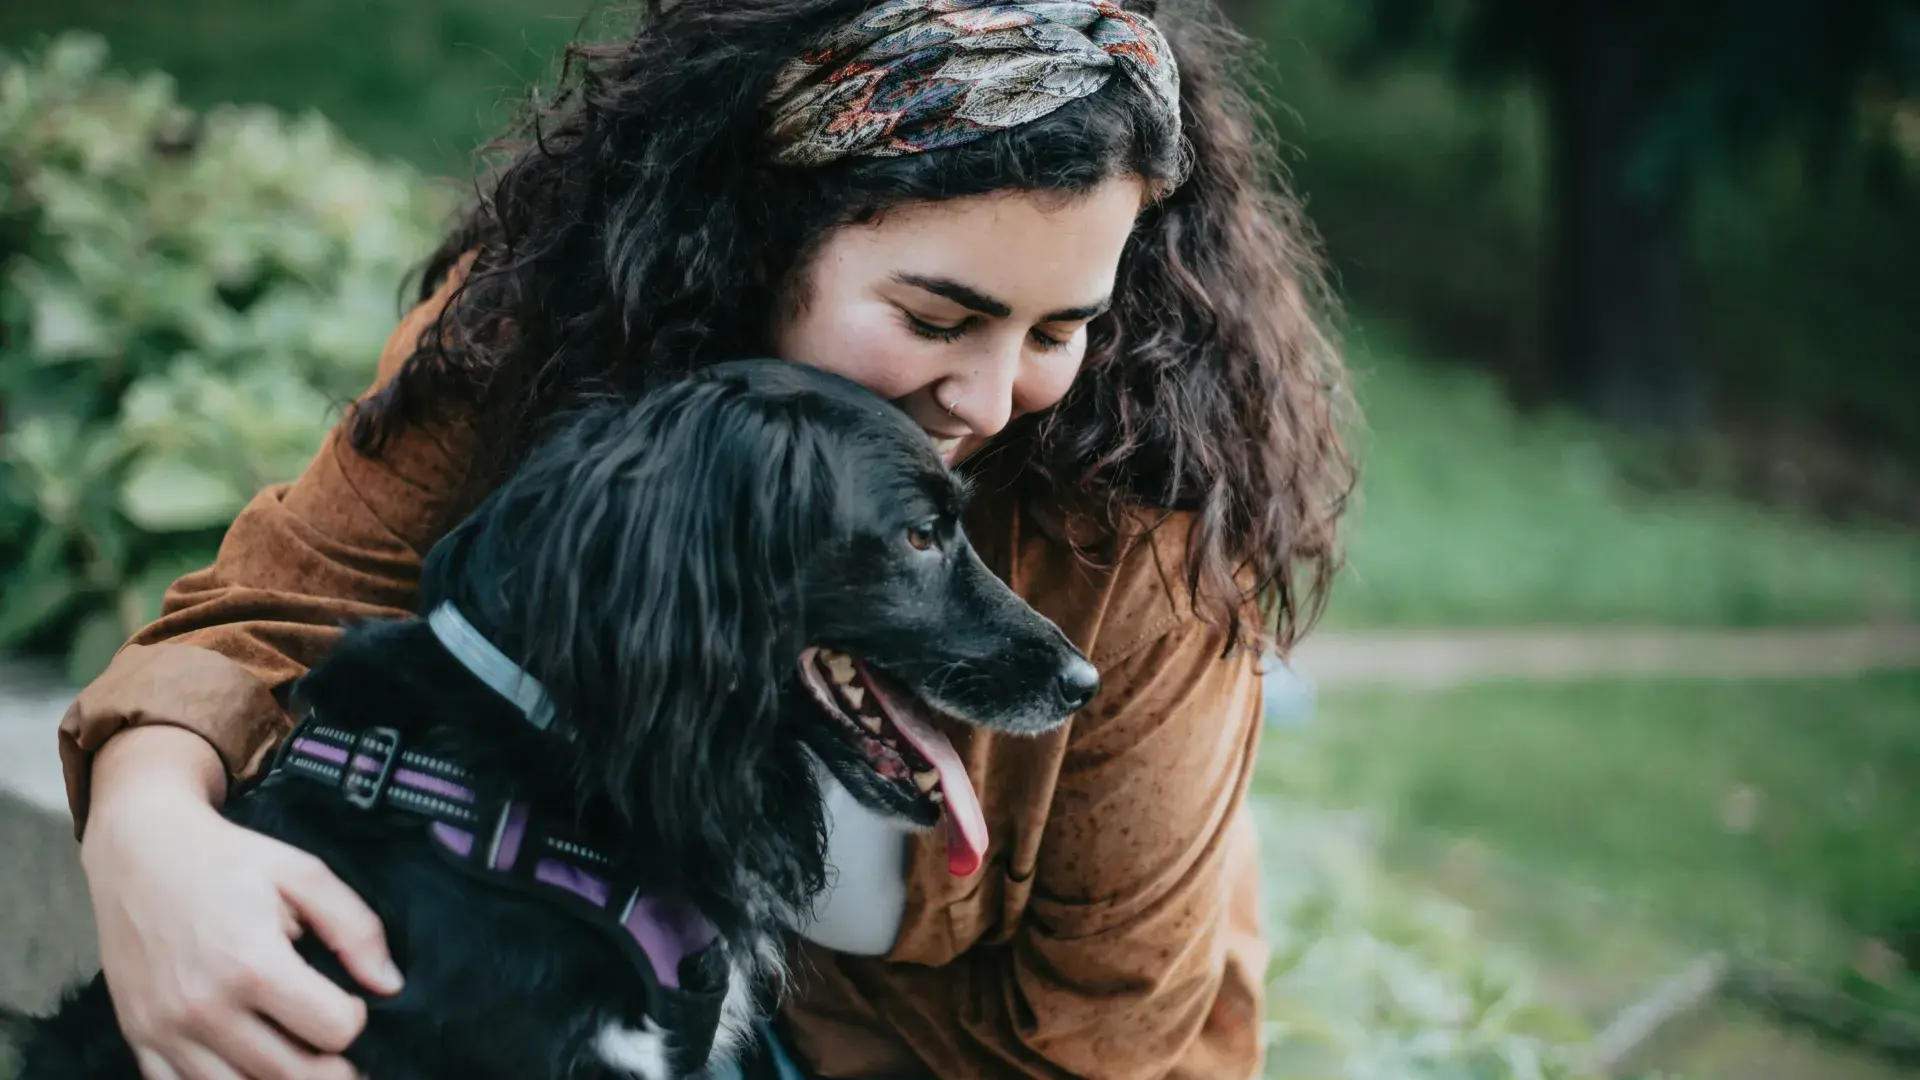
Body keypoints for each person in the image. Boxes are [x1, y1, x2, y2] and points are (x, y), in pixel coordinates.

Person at [56, 0, 1352, 1076]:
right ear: (769, 235)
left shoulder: (1140, 538)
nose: (989, 396)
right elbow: (266, 618)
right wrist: (149, 838)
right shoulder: (545, 334)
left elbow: (1106, 1038)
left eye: (1057, 331)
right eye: (937, 316)